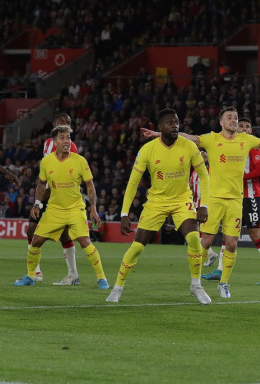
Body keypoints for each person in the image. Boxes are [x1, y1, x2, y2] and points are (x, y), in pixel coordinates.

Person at [141, 107, 260, 299]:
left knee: (232, 244)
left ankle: (224, 283)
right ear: (221, 123)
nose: (234, 120)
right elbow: (188, 137)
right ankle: (196, 282)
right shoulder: (212, 139)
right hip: (214, 199)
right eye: (230, 117)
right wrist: (159, 134)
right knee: (206, 241)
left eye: (236, 117)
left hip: (236, 200)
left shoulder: (246, 140)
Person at [106, 108, 212, 304]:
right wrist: (123, 213)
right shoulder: (148, 150)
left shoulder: (188, 146)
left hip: (182, 200)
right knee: (137, 247)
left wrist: (203, 205)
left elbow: (204, 175)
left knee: (194, 240)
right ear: (160, 127)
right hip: (156, 202)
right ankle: (117, 287)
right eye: (171, 123)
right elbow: (132, 182)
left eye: (177, 122)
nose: (175, 126)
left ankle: (196, 285)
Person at [13, 126, 109, 289]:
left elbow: (90, 185)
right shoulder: (46, 161)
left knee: (85, 242)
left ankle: (102, 278)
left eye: (68, 137)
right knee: (36, 241)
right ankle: (30, 276)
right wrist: (37, 204)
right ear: (55, 141)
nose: (67, 141)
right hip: (54, 209)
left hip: (75, 209)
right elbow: (41, 185)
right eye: (63, 138)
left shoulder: (79, 160)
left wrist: (93, 208)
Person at [200, 117, 260, 285]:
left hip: (249, 196)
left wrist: (237, 178)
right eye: (241, 126)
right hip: (234, 196)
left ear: (251, 131)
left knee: (255, 234)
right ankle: (220, 270)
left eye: (248, 126)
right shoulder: (234, 146)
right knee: (227, 235)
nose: (244, 129)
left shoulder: (252, 145)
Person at [27, 113, 82, 285]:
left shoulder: (71, 147)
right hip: (45, 194)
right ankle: (36, 272)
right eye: (61, 122)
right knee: (31, 230)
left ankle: (73, 275)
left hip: (59, 196)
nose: (64, 124)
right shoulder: (46, 144)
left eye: (68, 122)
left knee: (65, 236)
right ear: (54, 124)